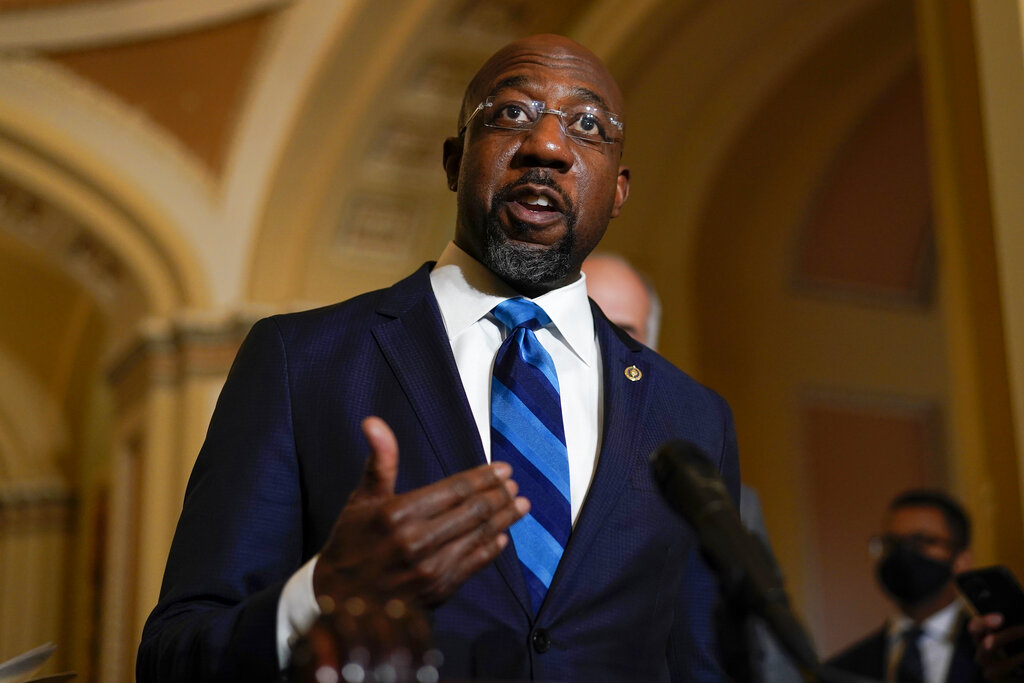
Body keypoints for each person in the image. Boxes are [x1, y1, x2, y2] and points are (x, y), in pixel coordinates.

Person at [136, 34, 740, 682]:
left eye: (588, 125)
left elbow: (707, 665)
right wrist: (319, 594)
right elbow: (175, 656)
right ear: (454, 161)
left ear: (619, 190)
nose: (548, 146)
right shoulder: (298, 362)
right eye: (510, 114)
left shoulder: (692, 417)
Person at [582, 252, 803, 683]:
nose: (606, 344)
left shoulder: (719, 497)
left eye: (626, 331)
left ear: (654, 349)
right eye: (588, 323)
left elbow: (767, 658)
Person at [826, 490, 983, 683]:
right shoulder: (840, 672)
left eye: (920, 542)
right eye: (892, 544)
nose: (903, 554)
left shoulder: (1001, 654)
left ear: (962, 560)